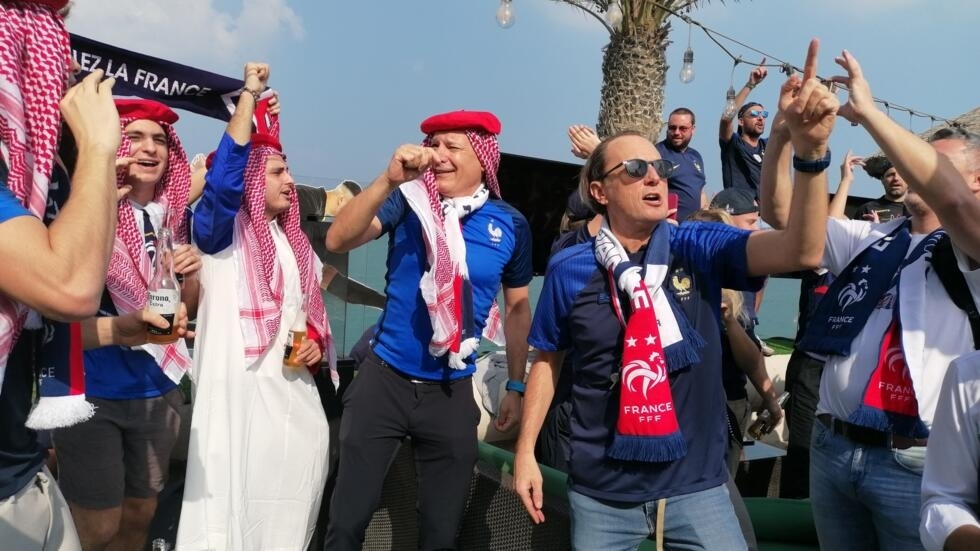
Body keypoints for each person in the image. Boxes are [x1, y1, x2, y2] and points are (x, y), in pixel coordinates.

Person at [515, 39, 835, 550]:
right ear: (600, 191)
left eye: (660, 168)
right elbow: (549, 359)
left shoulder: (697, 245)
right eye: (635, 170)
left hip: (699, 490)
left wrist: (812, 154)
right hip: (601, 494)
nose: (655, 178)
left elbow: (803, 248)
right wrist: (527, 451)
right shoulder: (570, 265)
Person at [759, 49, 980, 551]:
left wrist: (871, 114)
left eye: (932, 162)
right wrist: (782, 134)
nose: (905, 167)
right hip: (833, 446)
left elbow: (956, 205)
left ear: (974, 182)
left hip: (915, 461)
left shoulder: (971, 251)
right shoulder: (871, 238)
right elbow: (780, 212)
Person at [324, 109, 533, 550]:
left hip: (451, 390)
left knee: (440, 533)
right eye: (432, 145)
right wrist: (386, 180)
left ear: (482, 159)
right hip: (384, 381)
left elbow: (516, 309)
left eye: (451, 147)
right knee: (346, 521)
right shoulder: (408, 201)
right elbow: (338, 240)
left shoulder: (510, 224)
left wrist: (515, 384)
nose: (437, 155)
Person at [177, 63, 333, 550]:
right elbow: (223, 181)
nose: (291, 182)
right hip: (238, 401)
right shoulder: (220, 235)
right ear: (249, 180)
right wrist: (248, 97)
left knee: (288, 509)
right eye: (278, 172)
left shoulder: (294, 245)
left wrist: (314, 346)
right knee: (228, 515)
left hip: (290, 402)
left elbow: (298, 317)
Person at [0, 1, 132, 548]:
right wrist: (98, 147)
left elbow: (37, 328)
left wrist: (127, 330)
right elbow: (71, 287)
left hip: (24, 475)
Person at [50, 97, 201, 551]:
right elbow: (57, 303)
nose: (149, 148)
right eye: (134, 136)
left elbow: (182, 312)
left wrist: (190, 275)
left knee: (140, 517)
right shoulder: (79, 213)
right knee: (95, 527)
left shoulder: (173, 217)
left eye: (159, 140)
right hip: (93, 392)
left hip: (158, 388)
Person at [719, 60, 769, 197]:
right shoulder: (733, 143)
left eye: (764, 115)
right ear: (741, 121)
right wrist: (751, 84)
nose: (760, 118)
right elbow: (726, 118)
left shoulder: (768, 145)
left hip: (764, 212)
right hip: (739, 210)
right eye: (754, 114)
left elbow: (790, 126)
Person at [657, 108, 708, 221]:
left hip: (693, 228)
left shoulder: (696, 156)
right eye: (672, 127)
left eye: (683, 128)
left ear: (693, 129)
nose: (676, 132)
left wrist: (706, 214)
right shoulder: (657, 153)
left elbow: (700, 191)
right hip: (670, 227)